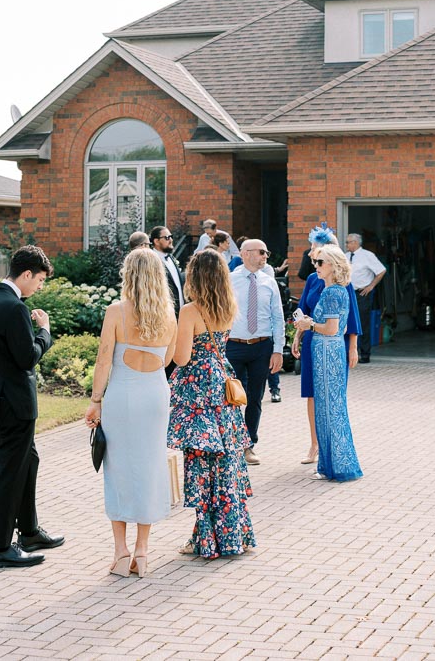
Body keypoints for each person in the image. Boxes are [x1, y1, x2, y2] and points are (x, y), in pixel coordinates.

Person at [84, 249, 177, 577]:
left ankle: (121, 552)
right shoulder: (169, 313)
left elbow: (104, 360)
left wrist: (96, 400)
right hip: (154, 395)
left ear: (129, 275)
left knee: (119, 469)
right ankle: (143, 550)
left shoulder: (116, 312)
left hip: (121, 397)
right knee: (150, 468)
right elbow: (168, 360)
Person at [0, 245, 64, 568]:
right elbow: (27, 357)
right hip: (15, 404)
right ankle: (0, 547)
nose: (39, 286)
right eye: (39, 280)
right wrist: (44, 332)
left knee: (29, 459)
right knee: (10, 472)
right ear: (26, 275)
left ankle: (28, 530)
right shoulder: (13, 308)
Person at [167, 250, 256, 558]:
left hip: (198, 391)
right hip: (221, 383)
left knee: (203, 465)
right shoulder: (228, 306)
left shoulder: (190, 310)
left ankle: (205, 537)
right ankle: (232, 534)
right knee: (227, 462)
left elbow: (181, 358)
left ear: (195, 276)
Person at [292, 226, 361, 465]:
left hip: (331, 344)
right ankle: (315, 443)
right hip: (312, 343)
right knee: (312, 395)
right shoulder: (313, 279)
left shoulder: (342, 285)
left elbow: (350, 318)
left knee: (331, 397)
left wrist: (353, 346)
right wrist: (296, 337)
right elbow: (302, 311)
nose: (313, 256)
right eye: (313, 251)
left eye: (318, 253)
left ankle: (331, 451)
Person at [226, 238, 285, 464]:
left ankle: (249, 444)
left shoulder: (269, 282)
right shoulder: (229, 281)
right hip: (234, 346)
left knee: (255, 397)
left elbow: (278, 317)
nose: (265, 256)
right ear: (246, 254)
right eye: (262, 252)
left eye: (266, 252)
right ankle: (233, 442)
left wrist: (278, 350)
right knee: (232, 397)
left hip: (262, 347)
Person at [344, 233, 386, 364]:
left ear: (356, 243)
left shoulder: (368, 256)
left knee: (363, 323)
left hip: (362, 293)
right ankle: (347, 352)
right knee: (346, 322)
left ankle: (365, 353)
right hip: (347, 292)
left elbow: (381, 270)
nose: (346, 245)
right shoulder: (345, 257)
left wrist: (371, 286)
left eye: (348, 242)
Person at [150, 226, 184, 316]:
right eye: (167, 237)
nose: (171, 240)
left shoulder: (171, 258)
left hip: (180, 313)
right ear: (156, 241)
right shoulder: (151, 261)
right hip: (164, 314)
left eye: (171, 236)